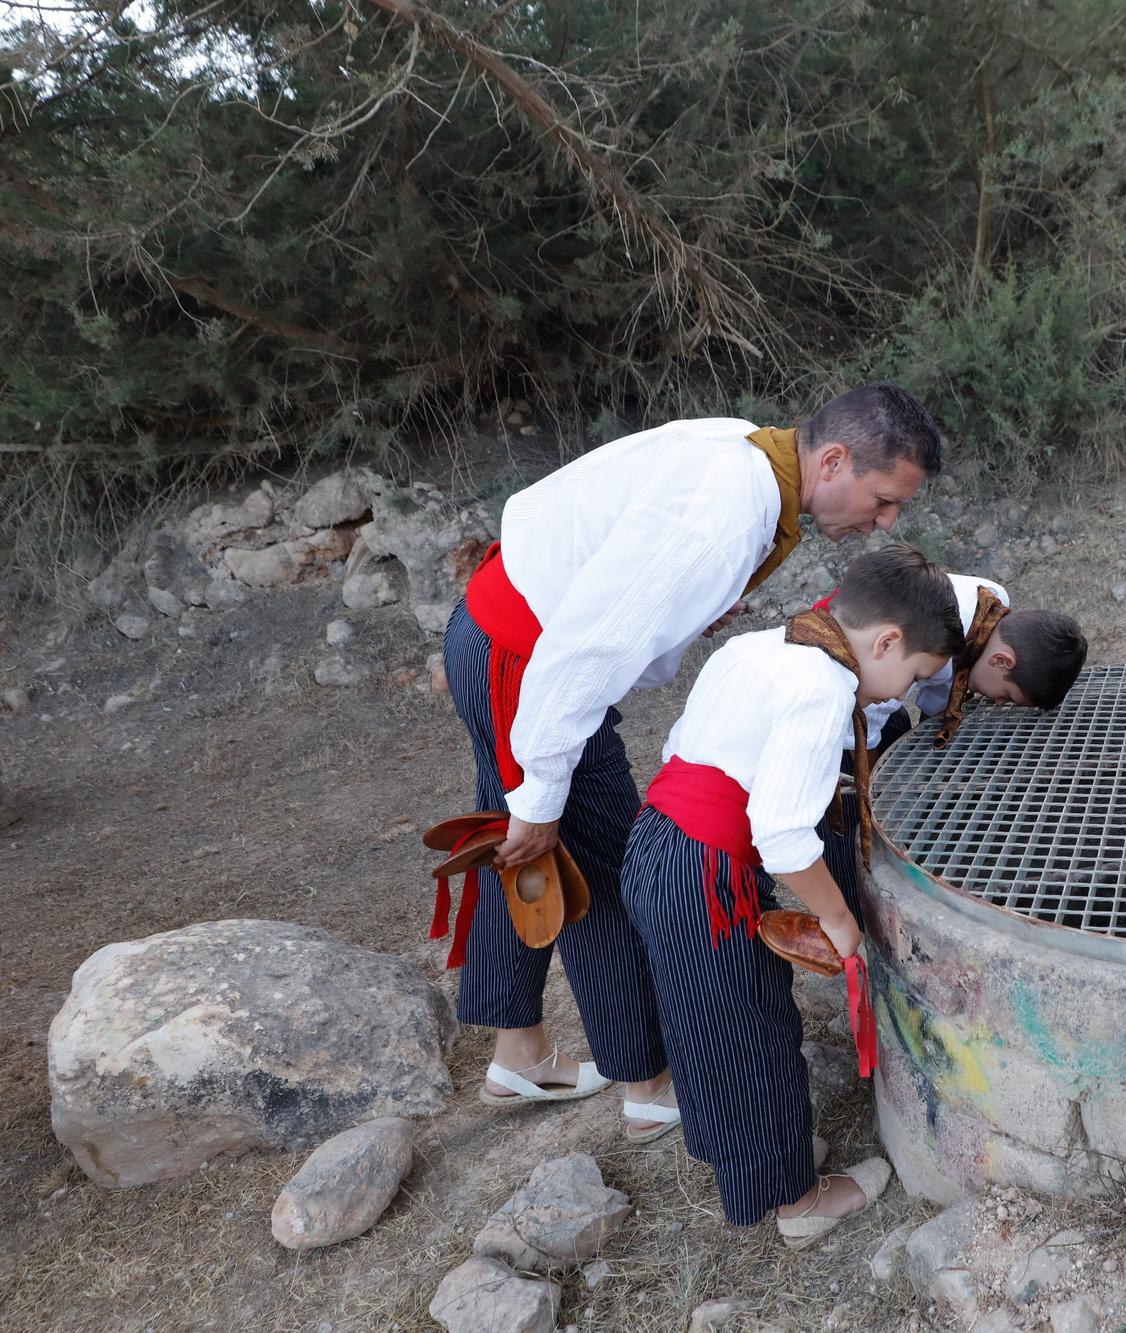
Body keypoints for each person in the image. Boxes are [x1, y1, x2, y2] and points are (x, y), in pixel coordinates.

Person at [438, 383, 941, 1139]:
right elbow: (584, 652)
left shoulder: (752, 457)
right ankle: (648, 1082)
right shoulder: (727, 513)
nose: (887, 521)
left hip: (502, 635)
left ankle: (517, 1051)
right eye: (884, 498)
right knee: (595, 866)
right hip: (527, 663)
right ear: (833, 461)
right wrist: (540, 794)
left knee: (528, 843)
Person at [620, 545, 964, 1242]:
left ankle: (745, 1155)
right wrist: (838, 918)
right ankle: (795, 1200)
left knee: (702, 1019)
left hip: (656, 842)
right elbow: (781, 833)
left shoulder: (762, 646)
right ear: (887, 640)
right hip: (705, 873)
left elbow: (688, 746)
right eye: (915, 676)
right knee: (754, 1030)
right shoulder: (822, 687)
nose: (902, 695)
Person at [816, 571, 1088, 898]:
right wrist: (871, 787)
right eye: (1006, 696)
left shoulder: (992, 608)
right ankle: (853, 898)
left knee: (898, 732)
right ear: (1002, 660)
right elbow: (862, 723)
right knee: (849, 816)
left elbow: (943, 692)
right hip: (837, 692)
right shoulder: (932, 640)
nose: (998, 703)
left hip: (874, 691)